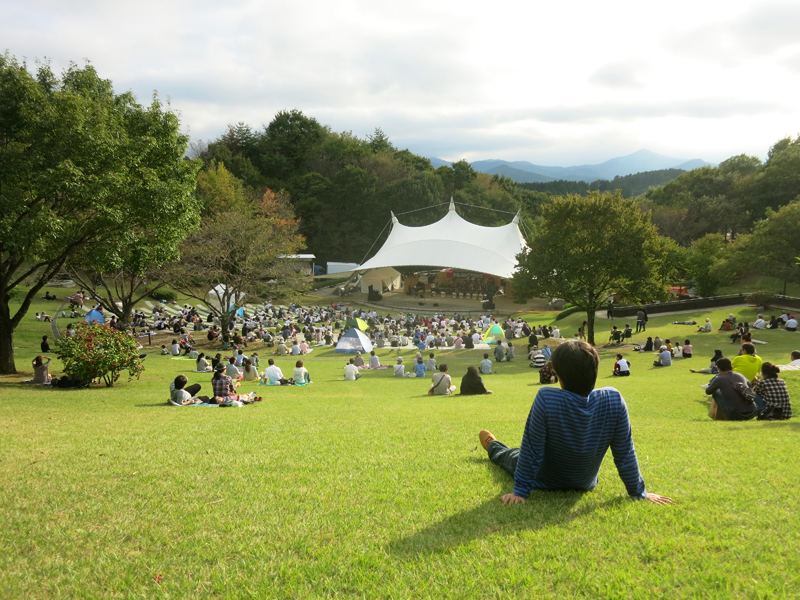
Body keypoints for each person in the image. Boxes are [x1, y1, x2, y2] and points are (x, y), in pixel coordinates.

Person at [478, 341, 672, 505]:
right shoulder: (613, 399)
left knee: (512, 455)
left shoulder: (547, 397)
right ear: (595, 370)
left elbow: (532, 450)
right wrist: (639, 493)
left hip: (543, 480)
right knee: (520, 453)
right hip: (585, 483)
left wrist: (519, 491)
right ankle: (496, 445)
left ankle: (493, 446)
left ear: (560, 378)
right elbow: (625, 453)